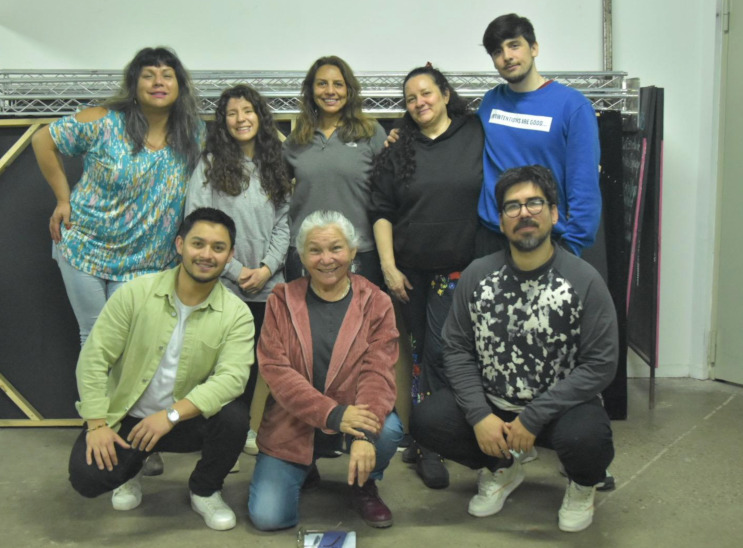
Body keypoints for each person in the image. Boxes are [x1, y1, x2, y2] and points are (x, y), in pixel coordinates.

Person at [410, 166, 617, 532]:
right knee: (428, 419)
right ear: (501, 221)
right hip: (496, 405)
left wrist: (535, 415)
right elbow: (456, 349)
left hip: (560, 410)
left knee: (587, 439)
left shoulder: (584, 280)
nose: (524, 213)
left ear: (554, 213)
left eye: (534, 203)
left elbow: (600, 365)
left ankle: (583, 485)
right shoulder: (477, 275)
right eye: (512, 206)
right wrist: (479, 415)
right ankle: (502, 467)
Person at [67, 208, 254, 531]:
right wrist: (96, 423)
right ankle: (132, 470)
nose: (206, 255)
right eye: (198, 244)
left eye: (218, 248)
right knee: (87, 478)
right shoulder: (136, 293)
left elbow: (232, 379)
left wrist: (171, 415)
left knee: (234, 418)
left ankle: (205, 490)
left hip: (184, 420)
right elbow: (95, 357)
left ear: (230, 255)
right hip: (130, 418)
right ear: (180, 245)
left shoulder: (237, 314)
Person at [32, 46, 205, 347]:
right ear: (134, 85)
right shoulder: (104, 121)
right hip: (85, 246)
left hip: (146, 260)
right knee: (95, 339)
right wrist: (63, 200)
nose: (158, 82)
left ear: (180, 86)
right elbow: (42, 140)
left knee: (129, 342)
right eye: (148, 76)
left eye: (167, 75)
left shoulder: (194, 133)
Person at [248, 210, 403, 530]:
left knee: (387, 430)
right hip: (293, 421)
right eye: (315, 250)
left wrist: (365, 433)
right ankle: (303, 467)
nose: (326, 259)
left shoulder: (377, 302)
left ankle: (364, 482)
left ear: (353, 250)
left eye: (336, 248)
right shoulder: (281, 300)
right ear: (302, 256)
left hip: (354, 418)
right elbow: (277, 372)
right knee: (269, 518)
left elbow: (378, 372)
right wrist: (332, 414)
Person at [370, 65, 484, 489]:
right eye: (411, 98)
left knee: (441, 351)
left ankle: (431, 439)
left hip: (461, 270)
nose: (420, 102)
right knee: (420, 354)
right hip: (410, 273)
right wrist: (389, 268)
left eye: (427, 93)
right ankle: (425, 438)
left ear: (445, 94)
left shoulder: (476, 132)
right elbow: (381, 210)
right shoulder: (398, 147)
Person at [185, 84, 291, 457]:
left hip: (267, 285)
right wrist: (234, 270)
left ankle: (243, 428)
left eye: (247, 111)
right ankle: (216, 435)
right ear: (223, 121)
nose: (241, 119)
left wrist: (265, 269)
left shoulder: (274, 163)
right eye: (232, 113)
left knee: (256, 365)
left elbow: (284, 222)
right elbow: (196, 223)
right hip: (223, 286)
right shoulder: (210, 165)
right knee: (220, 364)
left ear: (259, 117)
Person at [475, 13, 601, 257]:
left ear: (534, 48)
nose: (507, 56)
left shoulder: (573, 106)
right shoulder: (490, 102)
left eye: (514, 45)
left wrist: (572, 247)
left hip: (546, 240)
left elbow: (584, 186)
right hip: (492, 238)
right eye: (497, 51)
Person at [283, 56, 387, 285]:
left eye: (338, 84)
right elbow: (274, 192)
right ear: (311, 90)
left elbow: (390, 194)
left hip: (359, 252)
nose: (330, 91)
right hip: (306, 253)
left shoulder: (370, 133)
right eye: (322, 84)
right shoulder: (297, 139)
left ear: (349, 90)